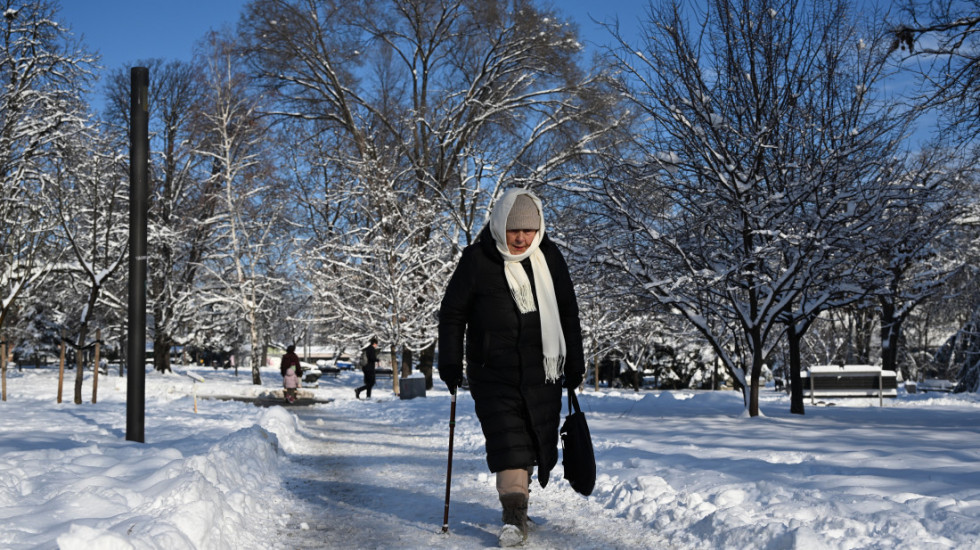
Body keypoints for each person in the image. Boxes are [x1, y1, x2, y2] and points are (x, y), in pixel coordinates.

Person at [438, 188, 585, 546]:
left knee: (535, 439)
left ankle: (519, 502)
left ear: (539, 230)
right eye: (514, 230)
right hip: (493, 371)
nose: (521, 238)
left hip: (542, 370)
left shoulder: (550, 258)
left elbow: (567, 311)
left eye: (529, 230)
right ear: (500, 224)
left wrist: (576, 359)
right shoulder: (477, 260)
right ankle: (514, 517)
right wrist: (449, 360)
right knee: (509, 442)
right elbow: (453, 313)